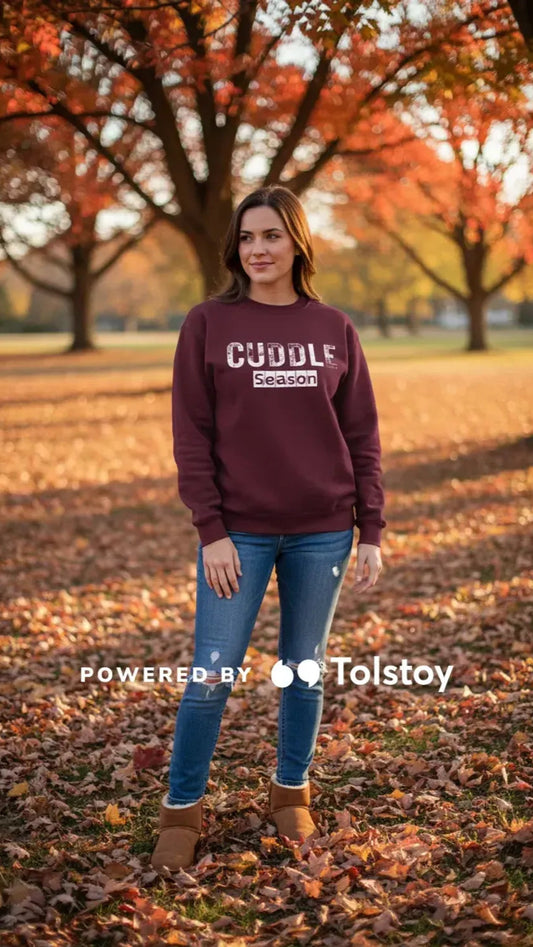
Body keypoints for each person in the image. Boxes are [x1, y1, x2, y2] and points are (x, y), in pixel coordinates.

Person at [151, 185, 386, 872]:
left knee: (302, 672)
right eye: (248, 237)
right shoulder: (207, 323)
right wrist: (211, 528)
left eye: (272, 236)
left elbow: (362, 434)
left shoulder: (334, 327)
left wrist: (369, 527)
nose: (258, 248)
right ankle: (182, 807)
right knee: (212, 673)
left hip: (322, 531)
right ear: (235, 247)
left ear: (296, 244)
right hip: (238, 535)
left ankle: (290, 793)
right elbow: (190, 435)